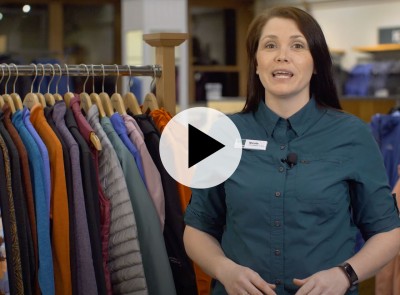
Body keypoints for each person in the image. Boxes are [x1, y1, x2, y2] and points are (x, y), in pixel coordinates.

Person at [183, 6, 400, 295]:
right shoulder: (219, 134)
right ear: (256, 63)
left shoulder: (354, 134)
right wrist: (226, 270)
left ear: (317, 63)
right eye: (270, 45)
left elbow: (388, 231)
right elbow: (196, 229)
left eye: (297, 45)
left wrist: (345, 275)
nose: (282, 55)